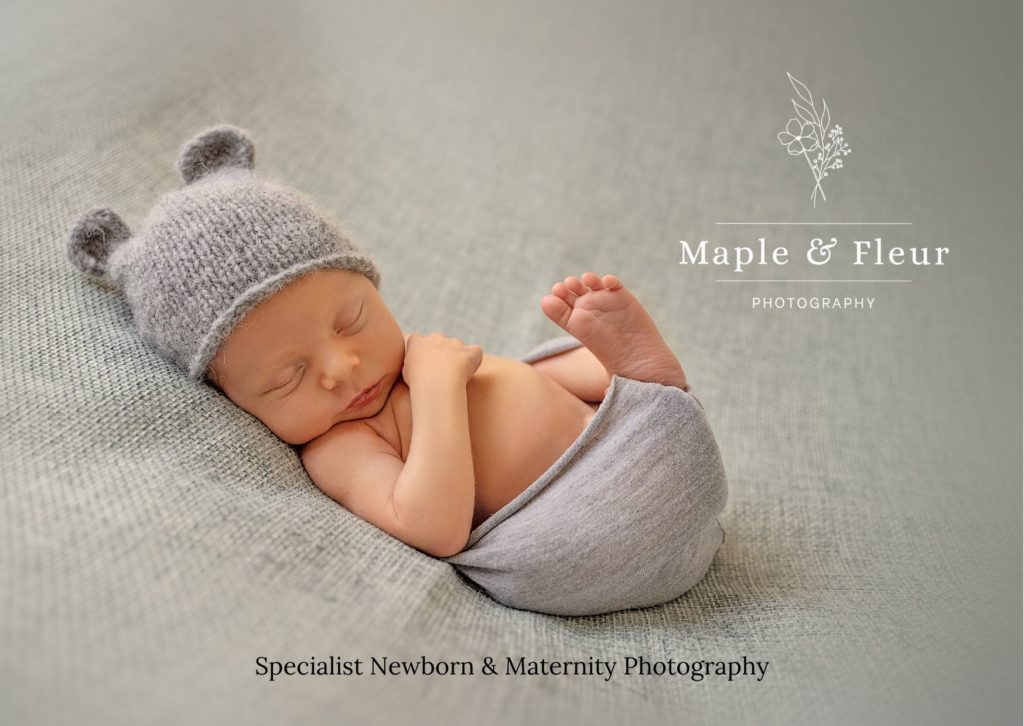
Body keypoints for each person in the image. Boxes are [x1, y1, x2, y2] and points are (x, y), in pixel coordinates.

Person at [68, 125, 727, 616]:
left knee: (536, 377)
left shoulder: (409, 353)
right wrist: (439, 391)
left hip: (642, 454)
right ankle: (655, 398)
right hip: (571, 537)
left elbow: (527, 389)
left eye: (351, 319)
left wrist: (599, 361)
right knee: (554, 534)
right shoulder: (341, 446)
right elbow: (432, 527)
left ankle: (637, 382)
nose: (341, 367)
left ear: (373, 289)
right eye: (286, 377)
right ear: (233, 398)